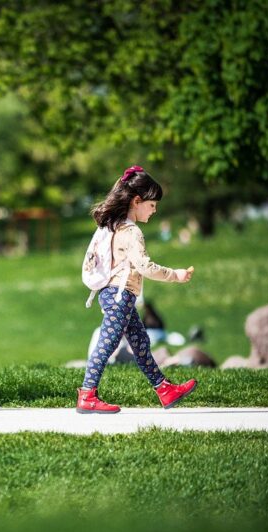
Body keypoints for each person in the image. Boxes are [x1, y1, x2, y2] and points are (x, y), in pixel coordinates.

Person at [77, 165, 198, 414]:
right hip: (119, 296)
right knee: (108, 342)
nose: (154, 211)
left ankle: (164, 389)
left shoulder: (115, 226)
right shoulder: (131, 232)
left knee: (140, 342)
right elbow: (145, 266)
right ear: (137, 200)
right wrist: (175, 275)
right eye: (152, 206)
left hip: (117, 295)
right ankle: (87, 394)